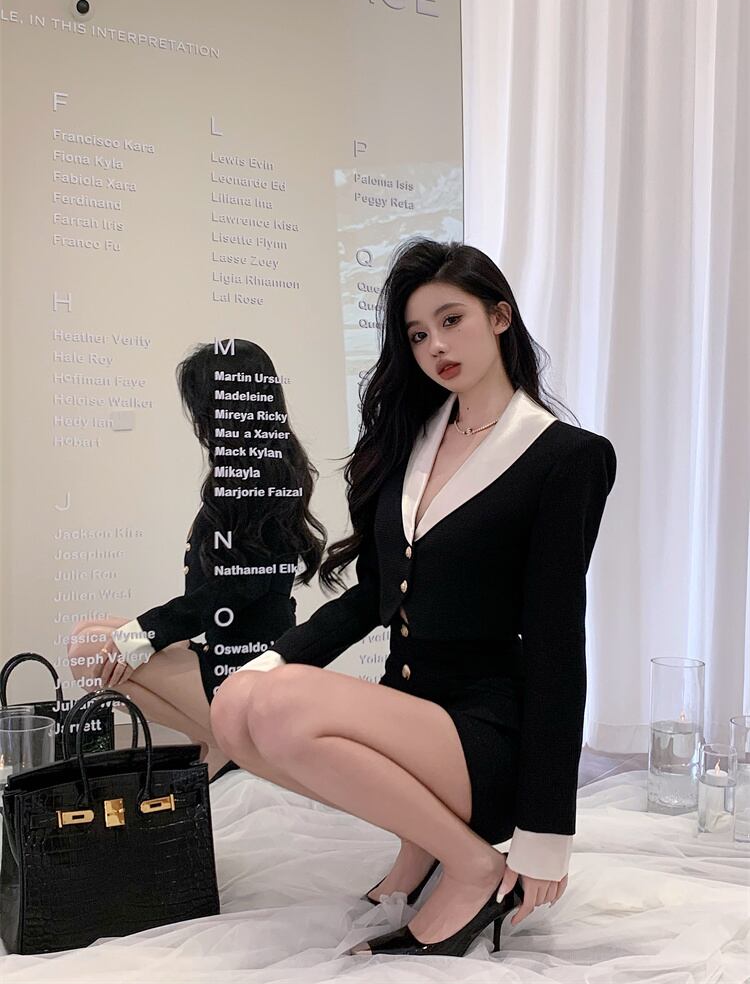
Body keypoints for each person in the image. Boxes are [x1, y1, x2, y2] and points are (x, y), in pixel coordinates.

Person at [209, 238, 617, 956]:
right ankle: (424, 842)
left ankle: (473, 864)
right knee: (235, 707)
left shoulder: (567, 458)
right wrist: (269, 660)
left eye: (451, 320)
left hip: (487, 734)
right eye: (419, 334)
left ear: (500, 317)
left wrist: (546, 832)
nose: (436, 346)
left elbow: (558, 644)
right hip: (416, 718)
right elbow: (374, 594)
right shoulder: (410, 444)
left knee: (275, 707)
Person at [67, 339, 326, 780]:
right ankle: (216, 740)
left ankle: (228, 742)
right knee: (89, 634)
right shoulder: (265, 469)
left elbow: (236, 588)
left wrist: (147, 634)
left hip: (245, 665)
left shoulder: (253, 476)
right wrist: (148, 635)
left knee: (89, 649)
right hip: (235, 648)